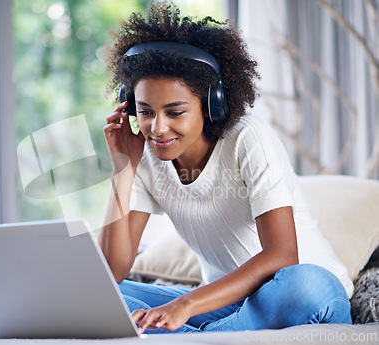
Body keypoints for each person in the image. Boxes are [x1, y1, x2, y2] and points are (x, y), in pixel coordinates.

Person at [98, 0, 352, 334]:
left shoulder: (248, 137)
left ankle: (190, 336)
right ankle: (208, 336)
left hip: (298, 293)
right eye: (145, 111)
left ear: (211, 106)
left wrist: (185, 305)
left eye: (175, 112)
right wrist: (123, 170)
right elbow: (111, 271)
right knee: (100, 294)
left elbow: (282, 256)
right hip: (221, 304)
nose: (157, 128)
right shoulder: (144, 156)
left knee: (307, 282)